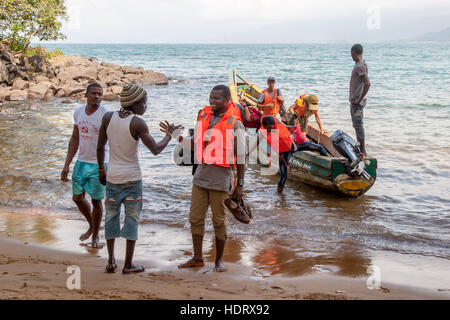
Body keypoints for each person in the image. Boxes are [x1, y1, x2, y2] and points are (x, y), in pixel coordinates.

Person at [97, 84, 182, 274]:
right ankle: (128, 264)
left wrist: (101, 170)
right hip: (132, 180)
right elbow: (155, 150)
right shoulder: (137, 123)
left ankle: (111, 261)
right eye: (144, 102)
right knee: (132, 219)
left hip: (112, 178)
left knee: (111, 217)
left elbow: (100, 147)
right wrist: (170, 135)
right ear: (135, 104)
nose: (146, 106)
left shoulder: (107, 117)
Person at [177, 85, 246, 272]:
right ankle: (198, 258)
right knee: (195, 218)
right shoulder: (204, 118)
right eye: (210, 98)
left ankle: (219, 261)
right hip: (200, 177)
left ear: (227, 101)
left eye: (216, 98)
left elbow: (241, 158)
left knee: (219, 221)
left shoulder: (235, 124)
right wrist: (177, 136)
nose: (212, 101)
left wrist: (240, 186)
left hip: (221, 179)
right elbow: (197, 146)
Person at [61, 82, 108, 249]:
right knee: (77, 198)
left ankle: (95, 236)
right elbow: (75, 139)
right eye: (94, 93)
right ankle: (92, 226)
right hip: (81, 162)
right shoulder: (78, 112)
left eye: (100, 94)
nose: (97, 96)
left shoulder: (105, 115)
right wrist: (67, 164)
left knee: (97, 201)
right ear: (86, 95)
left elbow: (113, 140)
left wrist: (106, 168)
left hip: (99, 164)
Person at [257, 115, 327, 193]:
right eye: (268, 129)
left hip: (294, 145)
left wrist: (293, 127)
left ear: (274, 124)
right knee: (284, 176)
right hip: (283, 154)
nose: (270, 130)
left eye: (272, 127)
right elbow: (261, 143)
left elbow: (285, 127)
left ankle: (326, 161)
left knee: (319, 148)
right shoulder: (265, 133)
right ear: (265, 127)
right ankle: (279, 197)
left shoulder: (278, 124)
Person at [349, 43, 371, 156]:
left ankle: (362, 152)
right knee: (357, 126)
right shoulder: (360, 64)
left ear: (354, 52)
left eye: (351, 53)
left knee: (358, 126)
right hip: (355, 101)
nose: (350, 56)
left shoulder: (360, 66)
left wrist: (359, 99)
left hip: (357, 102)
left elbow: (367, 83)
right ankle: (361, 150)